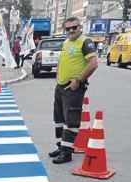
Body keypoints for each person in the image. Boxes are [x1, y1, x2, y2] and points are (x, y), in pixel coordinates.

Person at [49, 17, 98, 164]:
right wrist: (58, 75)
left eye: (74, 27)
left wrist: (79, 80)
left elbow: (93, 63)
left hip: (73, 87)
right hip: (61, 85)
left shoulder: (85, 42)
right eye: (68, 28)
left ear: (80, 27)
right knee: (59, 119)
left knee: (71, 120)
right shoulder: (66, 42)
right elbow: (62, 61)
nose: (71, 30)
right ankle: (60, 146)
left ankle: (67, 152)